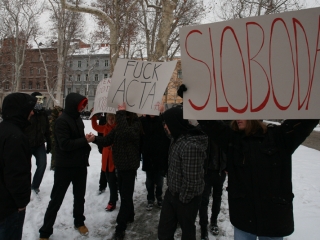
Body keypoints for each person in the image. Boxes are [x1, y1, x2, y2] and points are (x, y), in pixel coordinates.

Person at [197, 119, 319, 239]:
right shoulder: (233, 139)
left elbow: (308, 117)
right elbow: (208, 120)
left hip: (273, 221)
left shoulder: (279, 137)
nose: (238, 118)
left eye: (243, 113)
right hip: (244, 220)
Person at [39, 93, 92, 239]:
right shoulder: (61, 121)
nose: (83, 107)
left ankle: (79, 222)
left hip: (80, 165)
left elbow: (78, 139)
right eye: (82, 104)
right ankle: (45, 231)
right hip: (65, 167)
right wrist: (85, 141)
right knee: (56, 199)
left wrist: (84, 141)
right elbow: (65, 144)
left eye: (84, 105)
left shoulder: (78, 119)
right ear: (73, 104)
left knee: (80, 196)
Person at [87, 103, 141, 240]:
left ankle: (120, 228)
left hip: (129, 166)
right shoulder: (118, 127)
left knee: (125, 196)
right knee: (124, 193)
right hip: (120, 166)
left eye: (122, 114)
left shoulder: (135, 124)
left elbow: (126, 133)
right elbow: (107, 140)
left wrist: (121, 114)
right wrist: (94, 139)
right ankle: (130, 215)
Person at [157, 106, 208, 240]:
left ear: (174, 123)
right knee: (164, 232)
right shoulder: (178, 135)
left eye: (167, 123)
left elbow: (192, 181)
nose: (165, 127)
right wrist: (162, 115)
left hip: (186, 198)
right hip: (172, 193)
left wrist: (182, 200)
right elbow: (169, 131)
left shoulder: (190, 146)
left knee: (187, 232)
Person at [0, 93, 37, 240]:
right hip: (10, 207)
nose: (33, 112)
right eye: (30, 109)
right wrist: (21, 203)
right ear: (20, 110)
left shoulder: (4, 129)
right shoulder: (16, 136)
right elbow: (16, 175)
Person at [198, 129, 227, 240]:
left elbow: (230, 149)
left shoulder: (224, 129)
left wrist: (227, 165)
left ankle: (214, 221)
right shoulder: (204, 128)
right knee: (203, 200)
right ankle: (203, 227)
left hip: (220, 171)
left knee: (217, 198)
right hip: (206, 171)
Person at [140, 114, 170, 211]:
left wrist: (163, 112)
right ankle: (150, 198)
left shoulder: (161, 120)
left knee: (159, 180)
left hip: (159, 155)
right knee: (149, 180)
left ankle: (159, 197)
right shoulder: (143, 120)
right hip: (148, 155)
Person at [24, 92, 51, 194]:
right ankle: (25, 186)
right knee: (26, 167)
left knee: (42, 165)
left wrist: (49, 142)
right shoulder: (27, 113)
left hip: (39, 144)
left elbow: (47, 129)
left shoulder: (43, 113)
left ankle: (35, 186)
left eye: (41, 100)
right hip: (27, 144)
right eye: (37, 100)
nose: (40, 102)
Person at [91, 112, 118, 211]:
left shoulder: (117, 128)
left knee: (112, 181)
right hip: (105, 158)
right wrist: (93, 116)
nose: (111, 120)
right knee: (109, 178)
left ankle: (112, 201)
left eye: (112, 118)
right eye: (109, 118)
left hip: (114, 159)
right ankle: (114, 197)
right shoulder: (105, 128)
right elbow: (95, 126)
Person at [49, 106, 63, 170]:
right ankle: (53, 165)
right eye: (59, 112)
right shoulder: (52, 120)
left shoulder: (59, 119)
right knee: (54, 152)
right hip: (53, 139)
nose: (61, 113)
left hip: (57, 138)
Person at [97, 113, 108, 194]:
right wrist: (100, 146)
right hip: (105, 146)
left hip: (114, 147)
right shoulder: (103, 119)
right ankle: (102, 185)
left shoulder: (116, 118)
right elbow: (99, 134)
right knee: (104, 166)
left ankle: (116, 185)